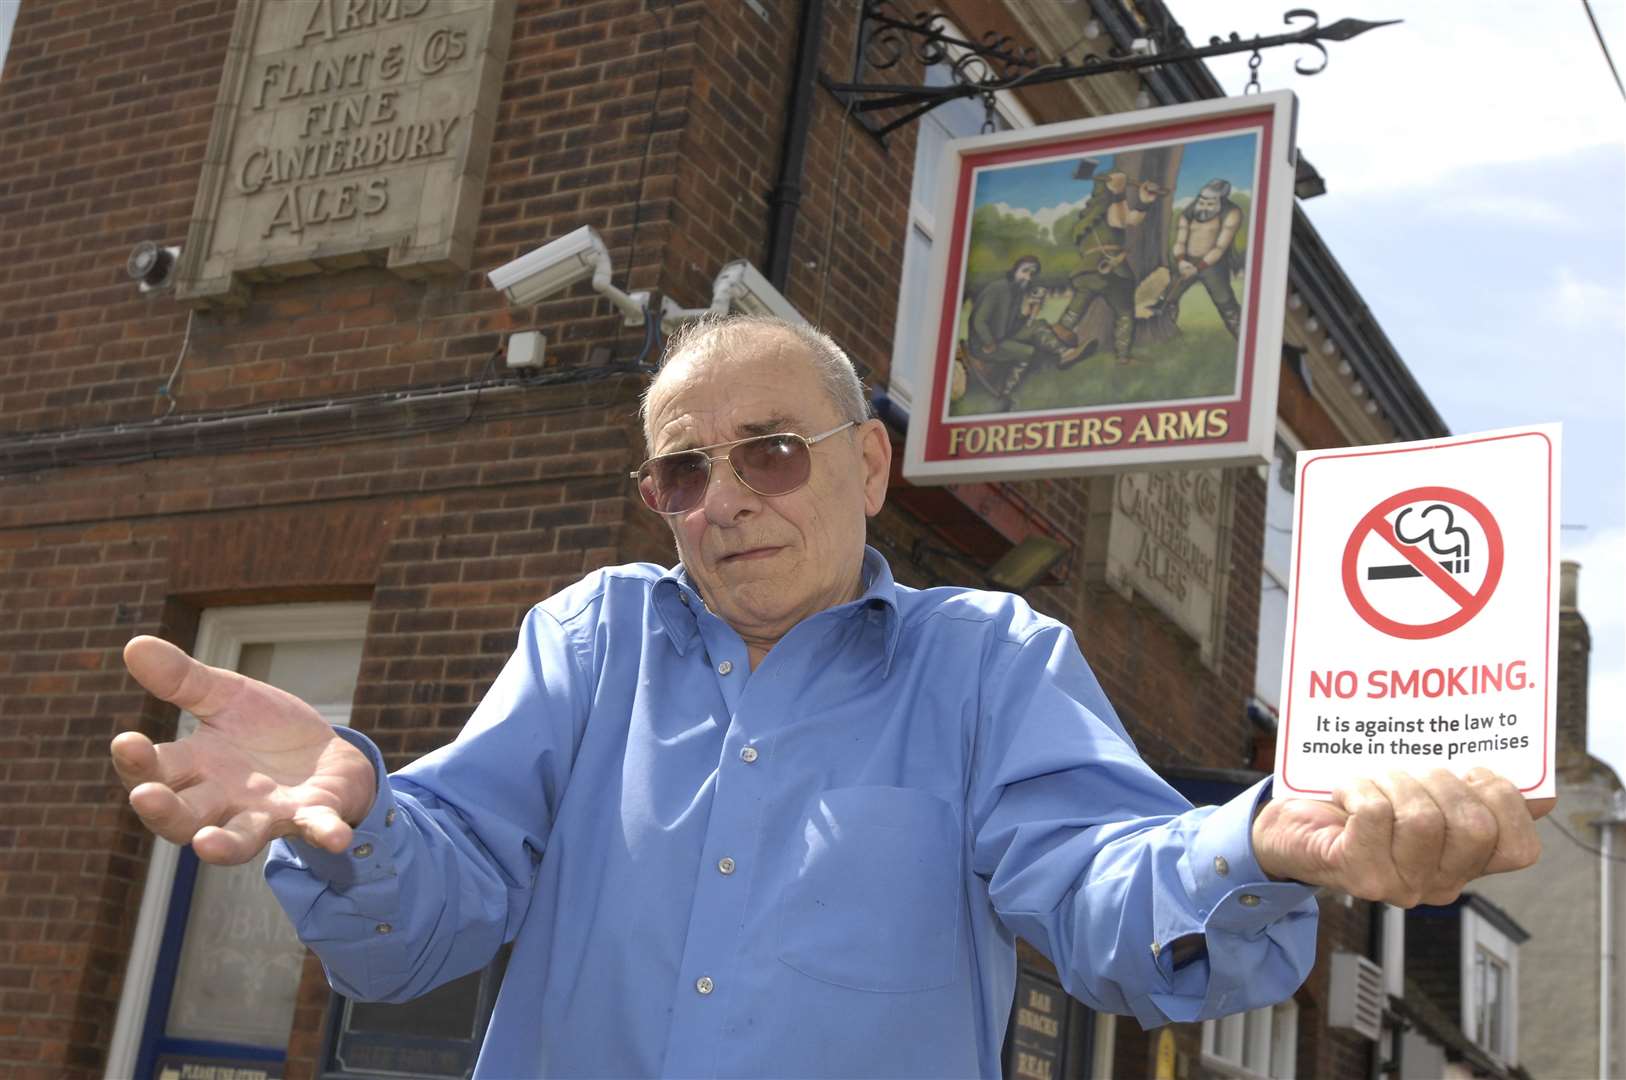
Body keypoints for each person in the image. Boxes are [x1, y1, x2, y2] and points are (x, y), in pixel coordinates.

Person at [112, 316, 1550, 1079]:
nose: (722, 499)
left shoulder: (989, 661)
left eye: (771, 452)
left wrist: (1254, 843)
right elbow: (429, 918)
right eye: (683, 470)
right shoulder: (587, 638)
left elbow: (1103, 890)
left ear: (866, 469)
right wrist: (352, 818)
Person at [1055, 169, 1167, 364]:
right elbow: (1124, 219)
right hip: (1110, 269)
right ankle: (1122, 357)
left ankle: (1057, 349)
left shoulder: (1085, 220)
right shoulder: (1106, 208)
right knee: (1124, 313)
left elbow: (1130, 218)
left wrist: (1144, 201)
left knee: (1073, 313)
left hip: (1089, 271)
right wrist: (1120, 193)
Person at [962, 255, 1075, 407]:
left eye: (1032, 274)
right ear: (1015, 270)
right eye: (1025, 271)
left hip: (1003, 336)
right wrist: (989, 342)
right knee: (1027, 352)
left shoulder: (1017, 292)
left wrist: (1027, 312)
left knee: (1038, 324)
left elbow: (1011, 324)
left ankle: (1065, 353)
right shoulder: (997, 288)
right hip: (984, 344)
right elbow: (978, 320)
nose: (1027, 277)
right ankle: (1006, 393)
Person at [1158, 178, 1246, 338]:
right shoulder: (1189, 211)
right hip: (1185, 261)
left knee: (1227, 305)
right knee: (1168, 297)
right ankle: (1165, 333)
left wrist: (1198, 268)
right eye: (1202, 201)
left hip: (1213, 265)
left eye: (1210, 202)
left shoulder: (1232, 213)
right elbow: (1180, 241)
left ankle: (1244, 338)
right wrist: (1181, 261)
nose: (1204, 206)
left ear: (1222, 200)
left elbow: (1220, 248)